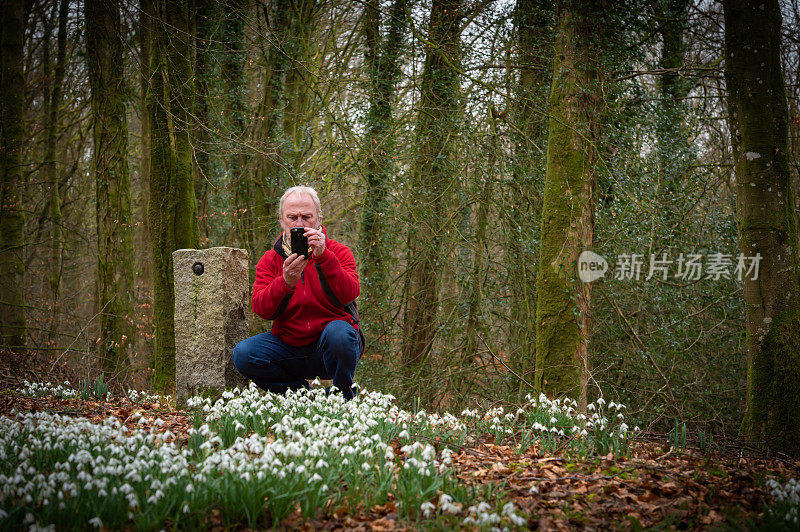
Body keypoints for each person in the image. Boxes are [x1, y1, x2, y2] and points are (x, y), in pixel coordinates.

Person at [232, 186, 362, 399]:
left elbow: (350, 293)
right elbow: (261, 309)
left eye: (307, 217)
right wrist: (285, 282)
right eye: (292, 217)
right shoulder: (269, 260)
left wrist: (324, 257)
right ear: (282, 221)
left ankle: (342, 396)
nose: (299, 224)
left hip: (330, 346)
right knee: (244, 354)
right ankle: (301, 395)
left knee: (341, 333)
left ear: (319, 219)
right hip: (289, 347)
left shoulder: (339, 252)